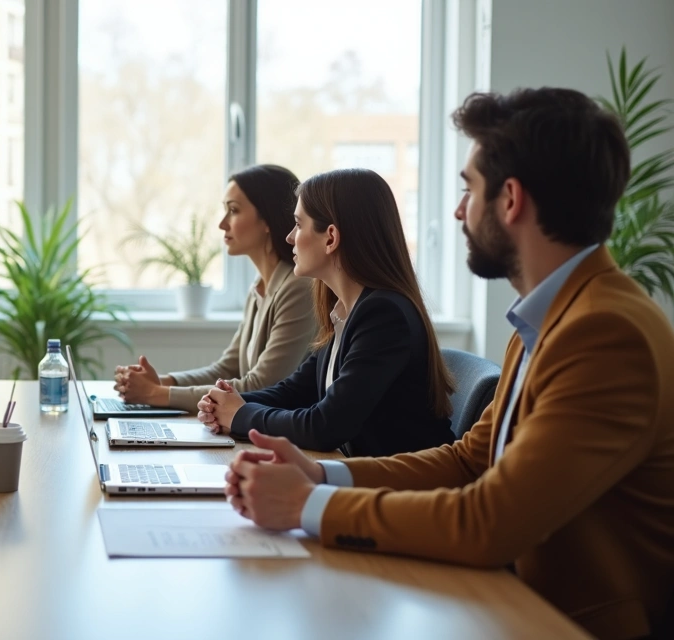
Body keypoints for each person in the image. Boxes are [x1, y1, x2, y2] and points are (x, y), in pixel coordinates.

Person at [225, 88, 674, 640]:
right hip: (501, 600)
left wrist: (311, 505)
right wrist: (322, 474)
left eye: (469, 190)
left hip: (559, 622)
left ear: (510, 200)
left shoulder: (605, 333)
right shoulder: (550, 318)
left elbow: (491, 521)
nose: (459, 210)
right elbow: (469, 461)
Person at [198, 168, 455, 457]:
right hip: (364, 481)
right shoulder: (347, 311)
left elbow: (324, 426)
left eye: (298, 224)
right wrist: (227, 402)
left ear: (330, 237)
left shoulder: (383, 315)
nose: (290, 237)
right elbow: (293, 392)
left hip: (403, 491)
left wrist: (240, 415)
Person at [112, 165, 316, 411]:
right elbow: (226, 368)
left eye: (233, 210)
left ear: (267, 220)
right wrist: (162, 382)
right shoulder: (260, 287)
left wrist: (158, 394)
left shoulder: (298, 288)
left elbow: (262, 384)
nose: (222, 224)